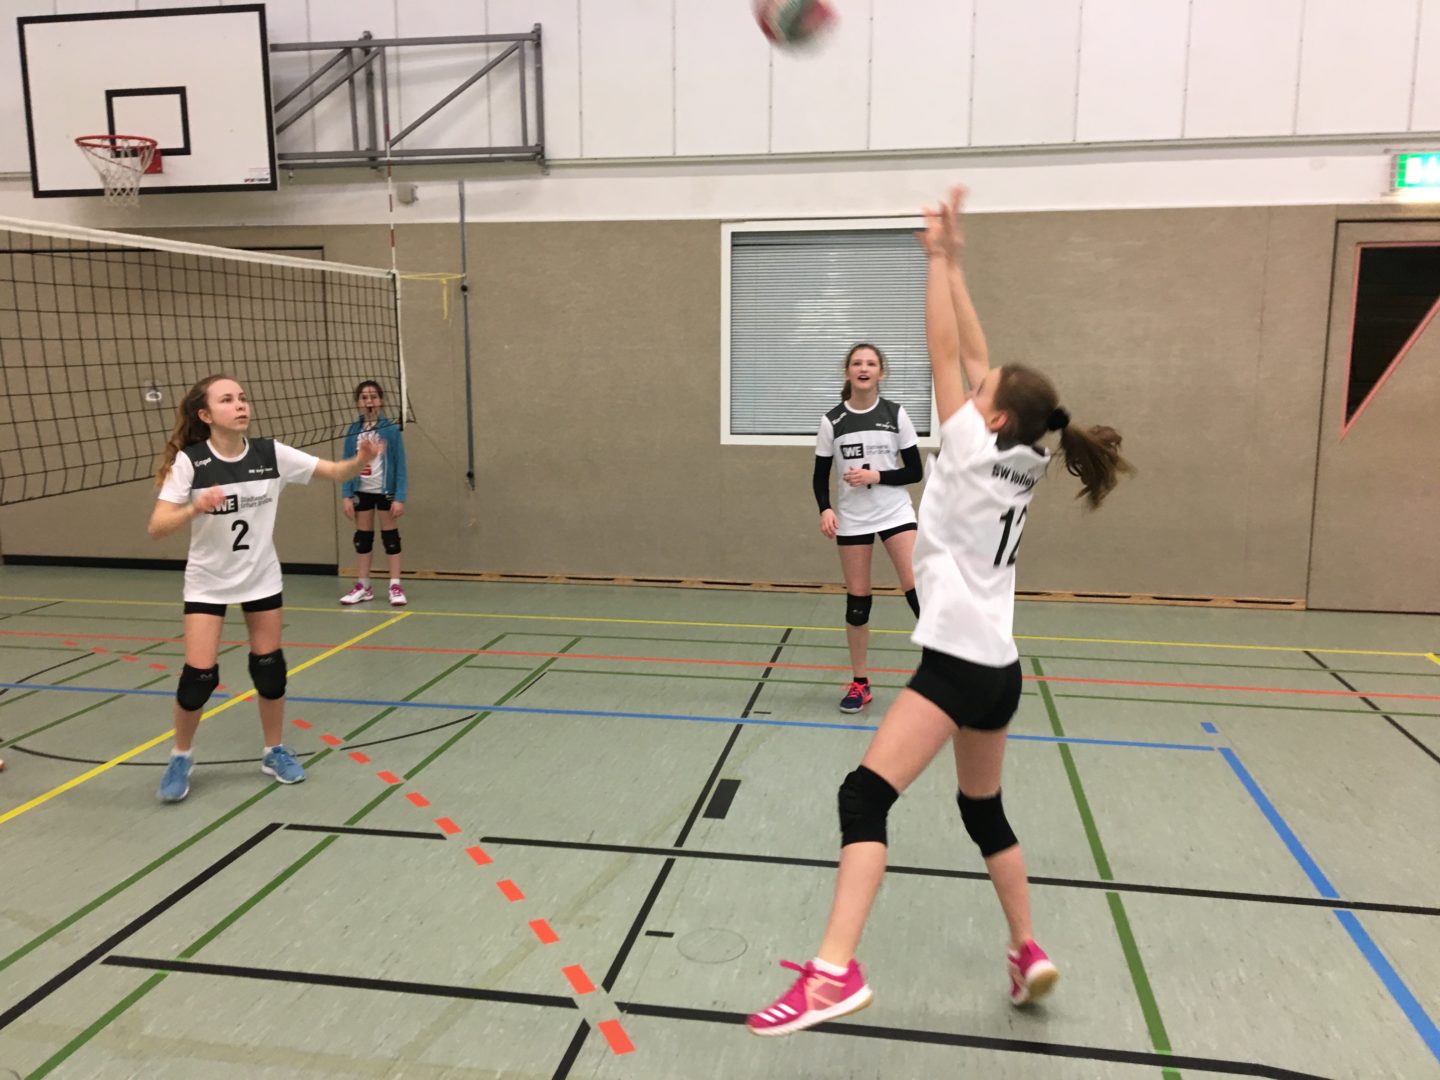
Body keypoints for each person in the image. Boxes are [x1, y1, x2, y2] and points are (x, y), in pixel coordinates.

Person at [747, 187, 1131, 1035]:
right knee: (981, 810)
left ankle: (832, 974)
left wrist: (932, 262)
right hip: (1000, 670)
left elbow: (945, 351)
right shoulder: (1026, 456)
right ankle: (1027, 948)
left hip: (955, 667)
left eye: (981, 389)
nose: (972, 382)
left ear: (993, 415)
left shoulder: (966, 445)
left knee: (862, 799)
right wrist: (955, 263)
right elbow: (978, 353)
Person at [149, 375, 380, 804]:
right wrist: (194, 507)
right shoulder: (191, 462)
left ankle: (274, 751)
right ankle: (180, 756)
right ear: (205, 414)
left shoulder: (270, 454)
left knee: (270, 671)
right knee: (198, 679)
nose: (240, 405)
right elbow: (157, 526)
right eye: (227, 400)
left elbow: (334, 472)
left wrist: (359, 460)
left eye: (242, 398)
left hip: (260, 577)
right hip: (208, 582)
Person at [814, 343, 923, 713]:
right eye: (857, 363)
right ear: (848, 372)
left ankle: (942, 670)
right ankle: (860, 683)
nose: (864, 368)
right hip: (854, 518)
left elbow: (914, 471)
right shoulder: (832, 421)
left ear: (881, 372)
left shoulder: (896, 414)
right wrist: (825, 509)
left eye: (871, 363)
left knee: (919, 592)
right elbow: (819, 476)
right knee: (858, 604)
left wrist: (877, 475)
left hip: (895, 513)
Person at [339, 380, 410, 607]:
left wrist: (399, 497)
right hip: (361, 490)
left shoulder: (390, 430)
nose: (369, 401)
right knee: (363, 539)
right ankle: (363, 585)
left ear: (381, 401)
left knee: (390, 538)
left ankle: (395, 585)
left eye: (373, 397)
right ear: (358, 402)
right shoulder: (353, 431)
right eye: (364, 397)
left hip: (385, 491)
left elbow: (400, 465)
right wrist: (346, 494)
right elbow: (347, 464)